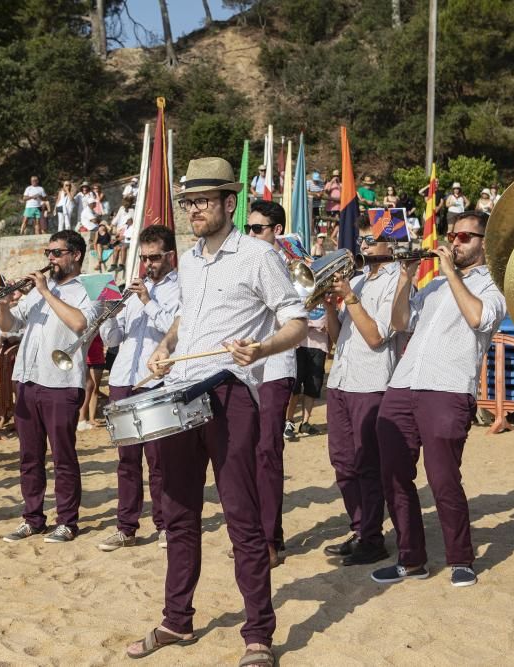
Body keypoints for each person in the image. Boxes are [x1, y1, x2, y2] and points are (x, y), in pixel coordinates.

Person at [125, 157, 307, 665]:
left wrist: (265, 349)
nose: (195, 210)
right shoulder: (189, 260)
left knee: (242, 518)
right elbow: (188, 318)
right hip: (179, 390)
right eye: (189, 203)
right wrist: (164, 348)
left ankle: (258, 635)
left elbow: (295, 319)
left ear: (231, 202)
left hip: (230, 394)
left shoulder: (257, 255)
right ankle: (176, 621)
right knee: (178, 514)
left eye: (204, 201)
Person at [373, 211, 506, 587]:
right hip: (403, 384)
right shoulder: (431, 287)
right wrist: (405, 278)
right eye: (453, 235)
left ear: (484, 243)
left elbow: (479, 319)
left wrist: (450, 273)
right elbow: (400, 323)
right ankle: (411, 558)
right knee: (394, 474)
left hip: (447, 388)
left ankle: (460, 558)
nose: (456, 241)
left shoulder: (493, 286)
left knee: (443, 478)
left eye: (465, 237)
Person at [0, 230, 96, 544]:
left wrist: (45, 290)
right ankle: (33, 518)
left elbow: (81, 324)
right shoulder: (41, 289)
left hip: (62, 383)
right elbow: (10, 326)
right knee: (29, 456)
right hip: (27, 379)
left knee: (63, 457)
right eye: (48, 252)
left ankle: (67, 521)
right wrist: (2, 301)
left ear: (75, 255)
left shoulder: (92, 287)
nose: (50, 259)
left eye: (56, 253)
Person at [97, 225, 181, 552]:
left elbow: (173, 330)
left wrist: (147, 300)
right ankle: (126, 527)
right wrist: (107, 312)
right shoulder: (133, 289)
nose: (149, 264)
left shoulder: (180, 290)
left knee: (159, 459)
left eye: (155, 257)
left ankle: (164, 524)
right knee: (126, 459)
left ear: (170, 255)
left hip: (156, 380)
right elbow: (114, 340)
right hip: (122, 379)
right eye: (144, 258)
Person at [321, 234, 401, 568]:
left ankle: (371, 538)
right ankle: (360, 530)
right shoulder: (357, 278)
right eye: (362, 239)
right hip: (341, 379)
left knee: (367, 464)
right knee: (342, 462)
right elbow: (339, 337)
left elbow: (375, 336)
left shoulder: (396, 282)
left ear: (392, 247)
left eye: (372, 240)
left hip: (370, 382)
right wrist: (328, 305)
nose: (364, 246)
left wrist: (350, 298)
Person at [246, 199, 298, 567]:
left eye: (257, 228)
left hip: (276, 367)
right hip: (245, 371)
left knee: (266, 454)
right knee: (244, 456)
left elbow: (299, 318)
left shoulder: (288, 267)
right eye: (247, 228)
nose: (250, 234)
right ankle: (254, 534)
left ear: (276, 231)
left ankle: (270, 539)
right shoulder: (246, 261)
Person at [285, 302, 328, 438]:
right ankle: (289, 421)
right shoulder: (299, 291)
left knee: (313, 385)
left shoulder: (329, 295)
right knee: (295, 385)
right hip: (299, 344)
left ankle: (305, 423)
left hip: (320, 345)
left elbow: (331, 322)